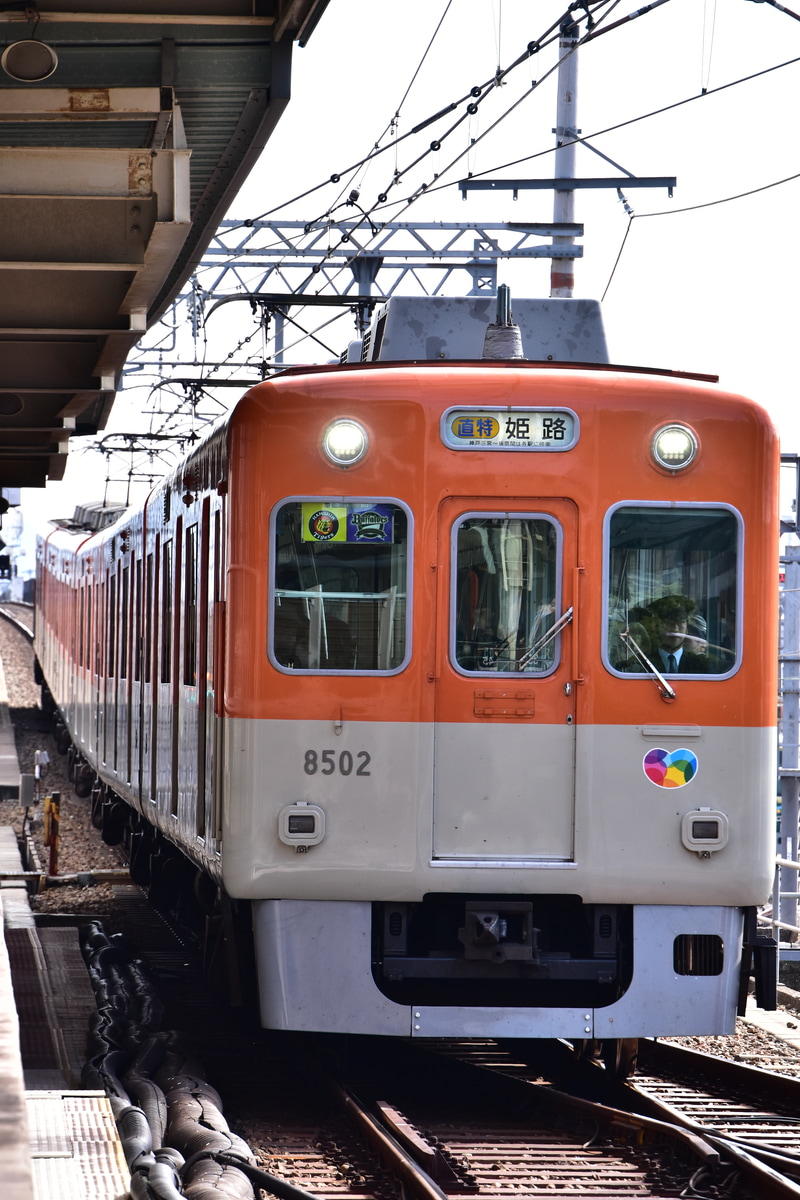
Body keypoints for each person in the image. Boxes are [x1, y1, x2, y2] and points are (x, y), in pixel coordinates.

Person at [619, 595, 721, 674]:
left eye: (680, 622)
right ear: (656, 626)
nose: (675, 628)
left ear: (687, 629)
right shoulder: (638, 665)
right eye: (669, 623)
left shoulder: (703, 665)